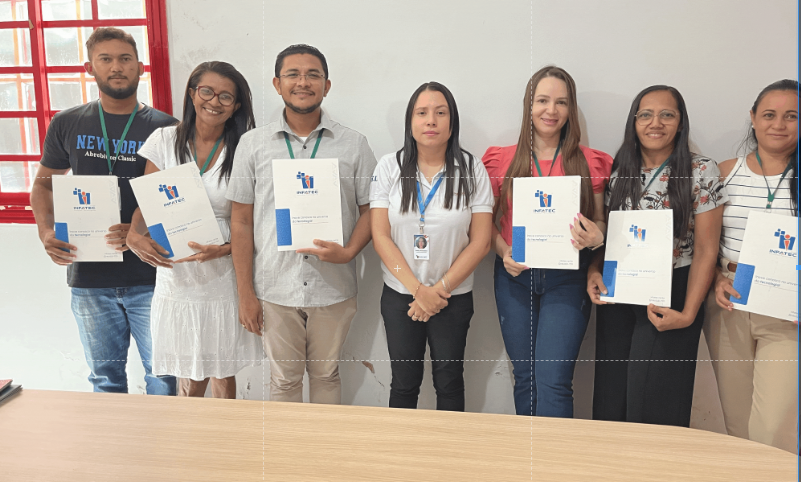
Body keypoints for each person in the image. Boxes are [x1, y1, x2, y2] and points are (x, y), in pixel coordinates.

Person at [226, 44, 377, 404]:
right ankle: (288, 445)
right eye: (293, 74)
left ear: (327, 85)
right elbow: (241, 221)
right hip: (274, 287)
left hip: (333, 286)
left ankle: (322, 444)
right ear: (277, 84)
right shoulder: (252, 145)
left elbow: (372, 210)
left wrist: (349, 252)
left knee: (327, 375)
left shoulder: (353, 145)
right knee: (284, 381)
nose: (303, 82)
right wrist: (245, 293)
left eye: (313, 75)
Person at [29, 28, 176, 395]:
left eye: (125, 59)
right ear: (89, 68)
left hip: (152, 276)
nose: (116, 67)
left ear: (140, 67)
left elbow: (175, 198)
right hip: (90, 278)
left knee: (163, 376)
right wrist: (46, 231)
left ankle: (166, 436)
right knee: (105, 380)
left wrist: (140, 228)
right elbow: (44, 184)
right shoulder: (67, 122)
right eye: (105, 59)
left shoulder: (166, 128)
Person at [588, 85, 727, 427]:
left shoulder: (701, 170)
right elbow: (610, 236)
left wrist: (688, 313)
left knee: (654, 404)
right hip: (620, 292)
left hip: (673, 291)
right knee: (612, 398)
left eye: (667, 114)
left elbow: (707, 250)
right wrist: (594, 270)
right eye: (646, 115)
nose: (656, 123)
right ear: (634, 122)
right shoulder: (620, 171)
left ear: (680, 123)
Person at [126, 62, 262, 399]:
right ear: (192, 93)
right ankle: (191, 430)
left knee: (223, 368)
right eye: (206, 91)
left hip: (224, 273)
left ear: (236, 105)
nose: (214, 101)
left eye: (225, 96)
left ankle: (224, 430)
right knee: (188, 373)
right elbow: (149, 201)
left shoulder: (244, 147)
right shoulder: (164, 139)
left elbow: (252, 219)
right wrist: (133, 233)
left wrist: (225, 249)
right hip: (178, 274)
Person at [482, 66, 612, 417]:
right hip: (514, 276)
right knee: (525, 378)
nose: (551, 110)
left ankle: (555, 452)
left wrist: (598, 235)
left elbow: (600, 220)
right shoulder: (501, 160)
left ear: (570, 109)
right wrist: (503, 251)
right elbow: (484, 224)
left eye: (561, 102)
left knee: (553, 380)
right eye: (542, 100)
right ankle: (529, 451)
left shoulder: (590, 162)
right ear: (529, 105)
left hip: (567, 278)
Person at [370, 82, 492, 411]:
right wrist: (417, 290)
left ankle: (449, 446)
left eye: (440, 112)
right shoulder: (389, 167)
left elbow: (481, 241)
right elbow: (380, 236)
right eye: (421, 113)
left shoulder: (472, 169)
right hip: (401, 294)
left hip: (452, 296)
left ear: (452, 122)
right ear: (410, 122)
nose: (431, 121)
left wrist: (438, 290)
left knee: (449, 382)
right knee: (404, 382)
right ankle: (401, 445)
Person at [704, 79, 798, 452]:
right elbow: (705, 243)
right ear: (753, 118)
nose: (779, 124)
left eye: (792, 116)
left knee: (774, 428)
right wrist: (716, 278)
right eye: (770, 115)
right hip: (729, 302)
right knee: (738, 425)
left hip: (787, 315)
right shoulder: (725, 172)